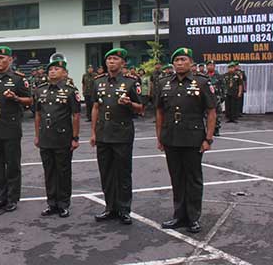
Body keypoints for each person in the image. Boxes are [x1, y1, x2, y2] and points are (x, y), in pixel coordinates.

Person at [156, 47, 216, 234]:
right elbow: (159, 111)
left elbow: (211, 111)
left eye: (183, 59)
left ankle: (193, 217)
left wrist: (209, 138)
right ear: (173, 64)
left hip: (193, 138)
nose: (180, 63)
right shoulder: (164, 83)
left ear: (191, 62)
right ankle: (179, 215)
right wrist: (159, 137)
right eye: (177, 60)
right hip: (171, 137)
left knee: (193, 178)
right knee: (177, 178)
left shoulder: (202, 82)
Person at [90, 48, 143, 225]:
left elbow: (141, 108)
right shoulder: (98, 82)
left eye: (115, 59)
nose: (111, 62)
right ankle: (110, 207)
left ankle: (124, 209)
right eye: (109, 59)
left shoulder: (130, 82)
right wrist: (93, 132)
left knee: (123, 173)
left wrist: (130, 103)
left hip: (122, 133)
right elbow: (96, 107)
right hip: (103, 133)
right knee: (106, 173)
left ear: (123, 63)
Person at [0, 46, 32, 212]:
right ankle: (0, 198)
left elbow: (30, 100)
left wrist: (16, 98)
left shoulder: (18, 79)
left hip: (10, 127)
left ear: (10, 60)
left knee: (12, 165)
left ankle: (12, 198)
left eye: (2, 58)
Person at [34, 56, 81, 218]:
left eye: (57, 69)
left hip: (63, 137)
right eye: (50, 69)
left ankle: (63, 204)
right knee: (49, 171)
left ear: (65, 73)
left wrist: (75, 138)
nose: (52, 72)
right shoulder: (40, 89)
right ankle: (51, 203)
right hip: (46, 137)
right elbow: (38, 114)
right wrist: (37, 135)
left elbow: (75, 115)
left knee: (63, 171)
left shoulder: (70, 91)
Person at [206, 60, 225, 136]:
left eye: (212, 65)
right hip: (207, 97)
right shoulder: (204, 76)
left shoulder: (219, 76)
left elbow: (223, 87)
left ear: (214, 66)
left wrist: (223, 96)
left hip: (216, 97)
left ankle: (216, 129)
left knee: (217, 114)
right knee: (206, 114)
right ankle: (208, 129)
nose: (210, 67)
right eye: (209, 65)